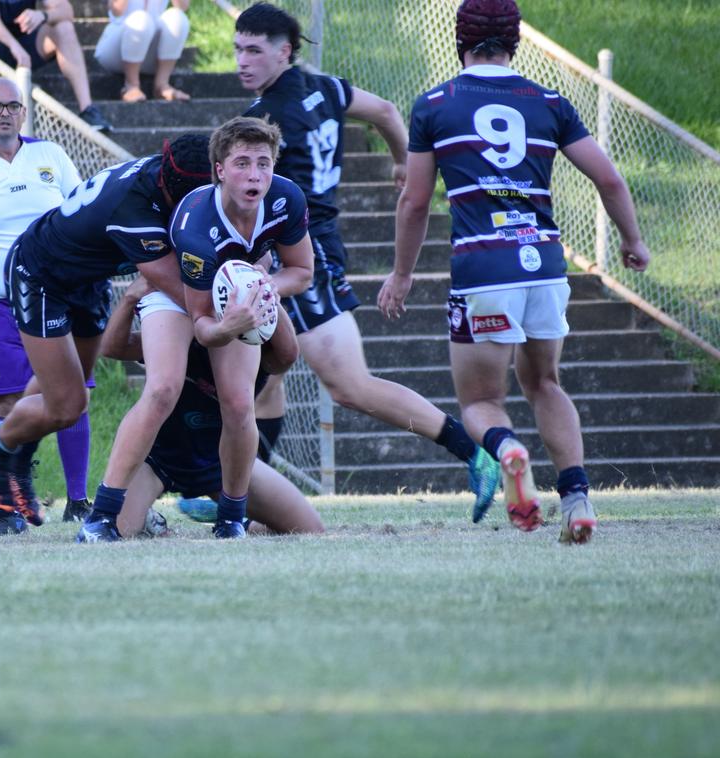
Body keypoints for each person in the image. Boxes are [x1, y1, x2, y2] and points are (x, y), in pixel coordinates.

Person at [377, 0, 651, 543]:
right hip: (544, 264)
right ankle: (576, 500)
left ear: (460, 42)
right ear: (515, 42)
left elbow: (413, 201)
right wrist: (632, 239)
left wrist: (401, 274)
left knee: (482, 402)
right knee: (545, 383)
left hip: (483, 268)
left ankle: (508, 452)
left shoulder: (435, 104)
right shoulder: (549, 101)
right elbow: (611, 181)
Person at [234, 2, 500, 522]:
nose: (242, 61)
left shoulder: (268, 118)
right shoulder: (328, 88)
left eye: (253, 50)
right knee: (263, 377)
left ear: (284, 52)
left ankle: (475, 453)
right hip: (305, 245)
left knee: (349, 386)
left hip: (303, 253)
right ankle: (241, 497)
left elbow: (248, 191)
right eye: (237, 49)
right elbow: (385, 112)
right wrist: (402, 158)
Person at [0, 134, 213, 536]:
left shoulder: (170, 170)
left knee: (63, 391)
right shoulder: (138, 211)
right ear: (180, 194)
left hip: (87, 275)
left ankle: (18, 450)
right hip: (42, 275)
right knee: (69, 405)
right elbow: (184, 292)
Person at [0, 77, 96, 527]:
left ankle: (78, 500)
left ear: (24, 113)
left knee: (74, 394)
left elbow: (83, 208)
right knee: (6, 403)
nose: (5, 113)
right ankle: (6, 504)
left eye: (13, 105)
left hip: (55, 298)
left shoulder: (49, 155)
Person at [166, 115, 314, 539]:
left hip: (247, 288)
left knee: (286, 355)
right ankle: (232, 515)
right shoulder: (195, 226)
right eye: (242, 163)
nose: (255, 175)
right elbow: (202, 326)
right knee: (235, 403)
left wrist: (264, 285)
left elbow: (302, 272)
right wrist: (233, 323)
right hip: (187, 295)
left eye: (264, 163)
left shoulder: (286, 198)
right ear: (219, 170)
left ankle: (229, 426)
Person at [102, 275, 324, 538]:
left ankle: (240, 521)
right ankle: (144, 517)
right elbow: (113, 347)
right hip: (157, 459)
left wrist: (269, 298)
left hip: (224, 464)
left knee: (309, 528)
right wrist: (129, 299)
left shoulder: (252, 344)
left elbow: (288, 355)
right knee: (116, 532)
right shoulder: (177, 333)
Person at [0, 0, 114, 132]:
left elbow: (66, 10)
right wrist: (13, 45)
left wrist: (43, 15)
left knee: (64, 27)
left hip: (27, 45)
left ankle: (87, 109)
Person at [94, 0, 191, 103]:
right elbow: (117, 10)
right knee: (141, 19)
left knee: (177, 17)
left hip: (151, 52)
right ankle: (131, 86)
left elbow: (183, 6)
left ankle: (162, 85)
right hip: (117, 49)